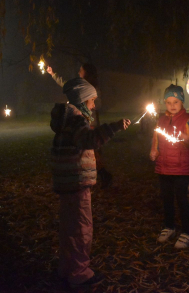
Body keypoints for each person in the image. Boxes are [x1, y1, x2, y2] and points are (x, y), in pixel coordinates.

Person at [50, 77, 130, 288]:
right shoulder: (77, 120)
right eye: (93, 101)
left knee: (69, 227)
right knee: (81, 228)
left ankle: (66, 267)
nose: (94, 106)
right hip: (77, 181)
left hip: (67, 182)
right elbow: (89, 140)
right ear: (84, 101)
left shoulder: (66, 119)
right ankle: (79, 273)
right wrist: (113, 128)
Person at [47, 63, 113, 188]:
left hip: (89, 123)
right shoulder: (78, 86)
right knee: (88, 152)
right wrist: (52, 74)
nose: (78, 72)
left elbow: (97, 105)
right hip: (82, 122)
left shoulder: (91, 89)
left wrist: (86, 106)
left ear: (87, 72)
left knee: (91, 151)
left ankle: (100, 175)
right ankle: (98, 175)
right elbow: (65, 84)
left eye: (81, 70)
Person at [150, 84, 189, 249]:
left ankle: (187, 231)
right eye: (168, 102)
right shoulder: (161, 120)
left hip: (181, 169)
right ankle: (169, 226)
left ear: (182, 102)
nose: (172, 105)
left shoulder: (187, 120)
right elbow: (156, 137)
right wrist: (154, 150)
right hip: (163, 167)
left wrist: (185, 137)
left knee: (182, 200)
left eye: (175, 102)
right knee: (167, 199)